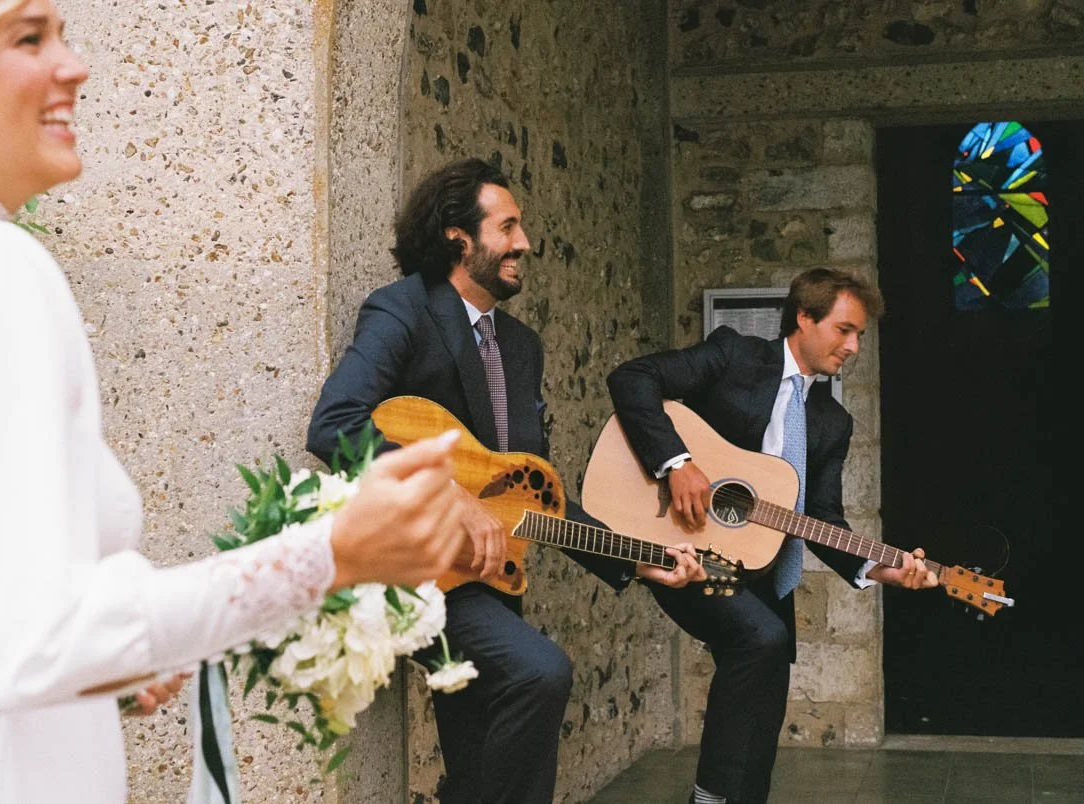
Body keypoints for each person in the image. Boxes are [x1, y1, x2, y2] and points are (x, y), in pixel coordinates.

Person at [0, 2, 467, 802]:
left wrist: (117, 665)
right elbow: (29, 645)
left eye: (63, 32)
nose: (75, 65)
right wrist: (329, 555)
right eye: (28, 37)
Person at [306, 157, 706, 804]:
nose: (525, 243)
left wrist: (642, 560)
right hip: (417, 573)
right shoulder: (402, 310)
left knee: (474, 765)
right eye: (509, 226)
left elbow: (533, 494)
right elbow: (335, 423)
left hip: (492, 576)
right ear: (457, 239)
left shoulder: (522, 347)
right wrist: (450, 497)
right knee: (541, 671)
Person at [606, 267, 940, 804]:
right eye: (845, 330)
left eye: (860, 335)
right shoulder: (735, 356)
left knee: (765, 701)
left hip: (764, 571)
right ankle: (708, 799)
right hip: (683, 545)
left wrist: (882, 567)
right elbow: (633, 379)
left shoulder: (833, 422)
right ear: (804, 317)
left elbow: (824, 519)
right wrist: (677, 462)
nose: (854, 347)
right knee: (761, 639)